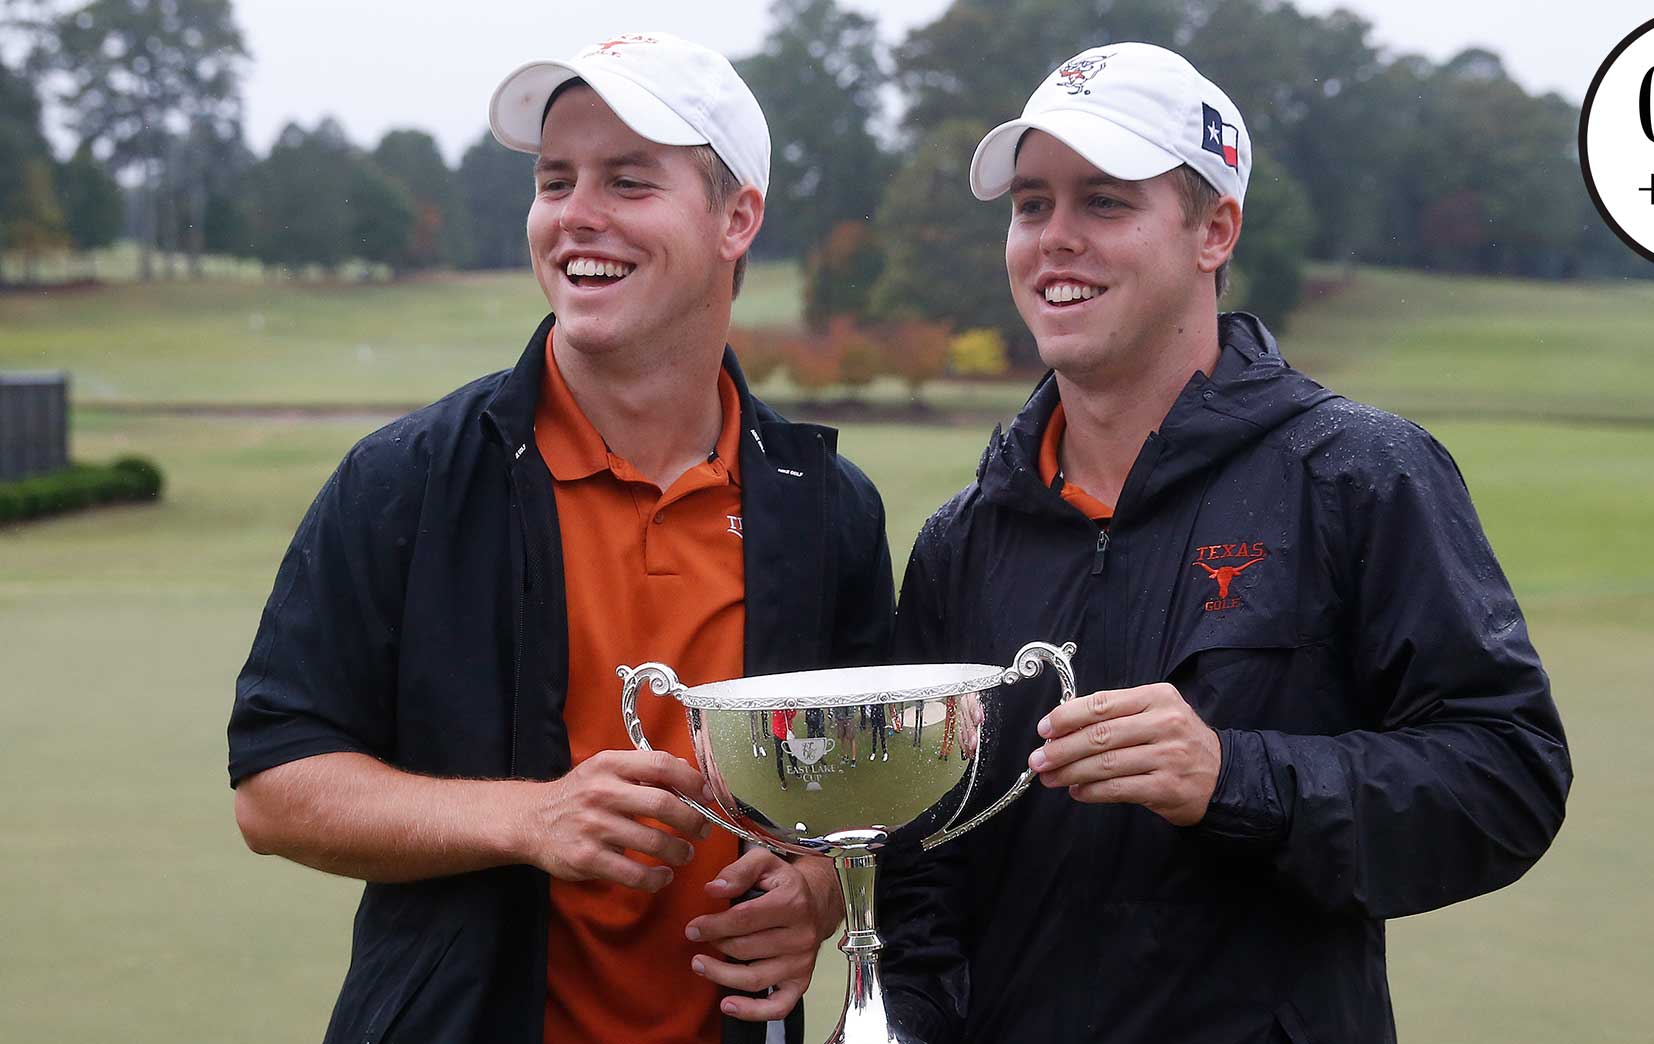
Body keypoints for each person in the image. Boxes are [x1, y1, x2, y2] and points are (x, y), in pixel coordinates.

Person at [876, 42, 1572, 1044]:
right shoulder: (961, 538)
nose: (1052, 240)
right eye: (1031, 205)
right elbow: (921, 867)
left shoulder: (1358, 473)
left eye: (1104, 202)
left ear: (1214, 230)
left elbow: (1506, 778)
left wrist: (1230, 777)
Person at [226, 33, 893, 1044]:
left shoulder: (826, 507)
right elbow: (274, 789)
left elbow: (868, 791)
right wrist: (527, 819)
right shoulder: (403, 481)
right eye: (554, 180)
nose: (576, 215)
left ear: (735, 218)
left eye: (628, 182)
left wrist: (813, 893)